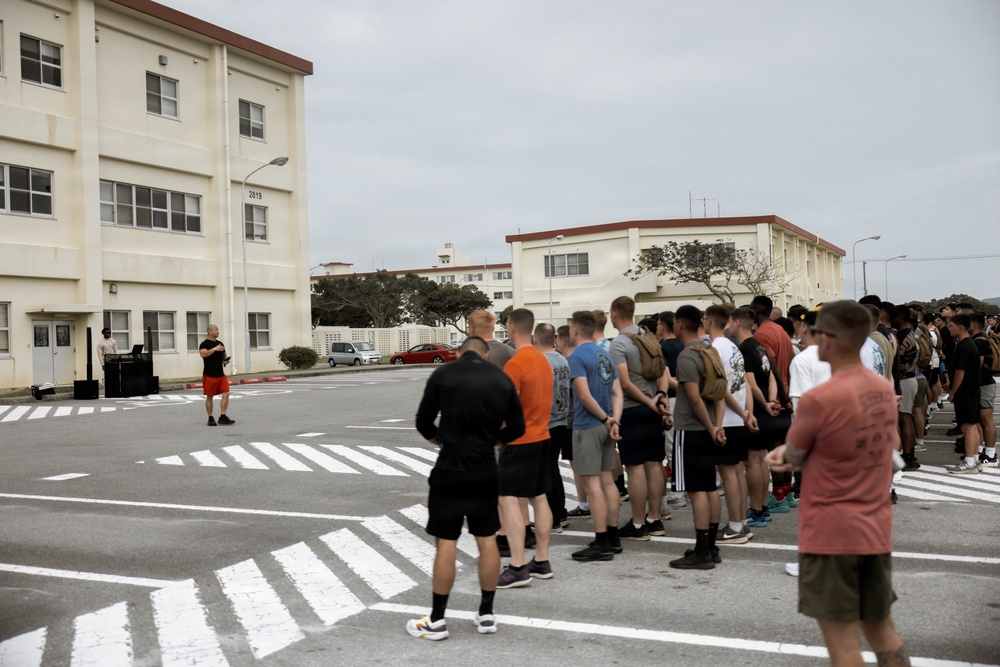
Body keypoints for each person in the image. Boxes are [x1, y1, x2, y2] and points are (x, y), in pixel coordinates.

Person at [765, 300, 910, 667]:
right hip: (874, 528)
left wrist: (777, 455)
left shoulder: (819, 399)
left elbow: (793, 453)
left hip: (831, 531)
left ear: (826, 338)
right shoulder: (880, 389)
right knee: (883, 632)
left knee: (843, 648)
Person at [408, 337, 526, 640]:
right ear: (486, 354)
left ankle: (436, 620)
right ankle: (486, 614)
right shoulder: (501, 378)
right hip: (485, 468)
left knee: (446, 543)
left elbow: (423, 421)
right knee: (486, 540)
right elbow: (517, 427)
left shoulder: (443, 374)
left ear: (459, 352)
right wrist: (492, 442)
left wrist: (443, 442)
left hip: (450, 467)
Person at [496, 309, 555, 588]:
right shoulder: (544, 361)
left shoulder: (515, 364)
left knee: (508, 500)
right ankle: (541, 561)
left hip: (519, 441)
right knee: (539, 498)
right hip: (543, 437)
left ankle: (518, 565)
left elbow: (504, 409)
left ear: (511, 327)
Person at [608, 296, 672, 540]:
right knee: (655, 463)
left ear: (614, 313)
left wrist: (648, 401)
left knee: (634, 468)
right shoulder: (649, 337)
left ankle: (637, 524)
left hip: (633, 410)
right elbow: (664, 373)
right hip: (654, 409)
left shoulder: (619, 344)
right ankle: (654, 519)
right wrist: (660, 397)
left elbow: (624, 383)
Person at [670, 305, 726, 570]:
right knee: (710, 487)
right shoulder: (710, 350)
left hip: (691, 430)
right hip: (710, 429)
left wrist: (709, 425)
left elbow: (693, 398)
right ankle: (710, 546)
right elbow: (719, 392)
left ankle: (701, 552)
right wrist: (717, 425)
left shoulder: (686, 356)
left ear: (680, 324)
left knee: (697, 491)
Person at [567, 310, 624, 561]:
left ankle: (601, 542)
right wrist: (614, 420)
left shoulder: (577, 355)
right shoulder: (605, 354)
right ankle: (612, 538)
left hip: (589, 424)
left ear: (576, 329)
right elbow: (617, 392)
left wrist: (603, 418)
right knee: (608, 482)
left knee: (592, 486)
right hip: (607, 424)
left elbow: (583, 395)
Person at [704, 305, 757, 545]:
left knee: (729, 474)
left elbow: (720, 387)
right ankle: (741, 523)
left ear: (708, 321)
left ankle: (735, 526)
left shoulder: (715, 348)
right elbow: (743, 383)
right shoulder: (733, 347)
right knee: (736, 472)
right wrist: (747, 413)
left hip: (727, 417)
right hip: (738, 416)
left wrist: (742, 412)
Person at [535, 323, 571, 531]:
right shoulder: (562, 359)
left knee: (545, 470)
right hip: (561, 418)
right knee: (552, 468)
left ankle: (555, 516)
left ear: (536, 339)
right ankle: (560, 512)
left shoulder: (542, 361)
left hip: (545, 421)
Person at [946, 315, 983, 474]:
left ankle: (968, 462)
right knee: (972, 425)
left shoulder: (963, 346)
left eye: (951, 325)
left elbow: (959, 373)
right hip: (973, 390)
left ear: (960, 327)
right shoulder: (971, 344)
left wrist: (953, 392)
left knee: (967, 427)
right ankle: (974, 460)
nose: (949, 328)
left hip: (965, 391)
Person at [969, 313, 997, 467]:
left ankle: (991, 454)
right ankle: (982, 451)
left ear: (973, 325)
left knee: (986, 419)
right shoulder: (981, 338)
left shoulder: (979, 341)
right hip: (984, 383)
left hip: (984, 384)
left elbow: (976, 366)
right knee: (981, 419)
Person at [199, 324, 234, 426]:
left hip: (221, 375)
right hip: (209, 375)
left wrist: (225, 360)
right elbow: (203, 354)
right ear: (210, 332)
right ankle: (210, 418)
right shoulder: (204, 344)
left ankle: (223, 417)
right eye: (216, 329)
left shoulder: (220, 343)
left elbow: (223, 355)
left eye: (218, 329)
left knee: (226, 394)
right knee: (210, 397)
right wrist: (215, 349)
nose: (218, 331)